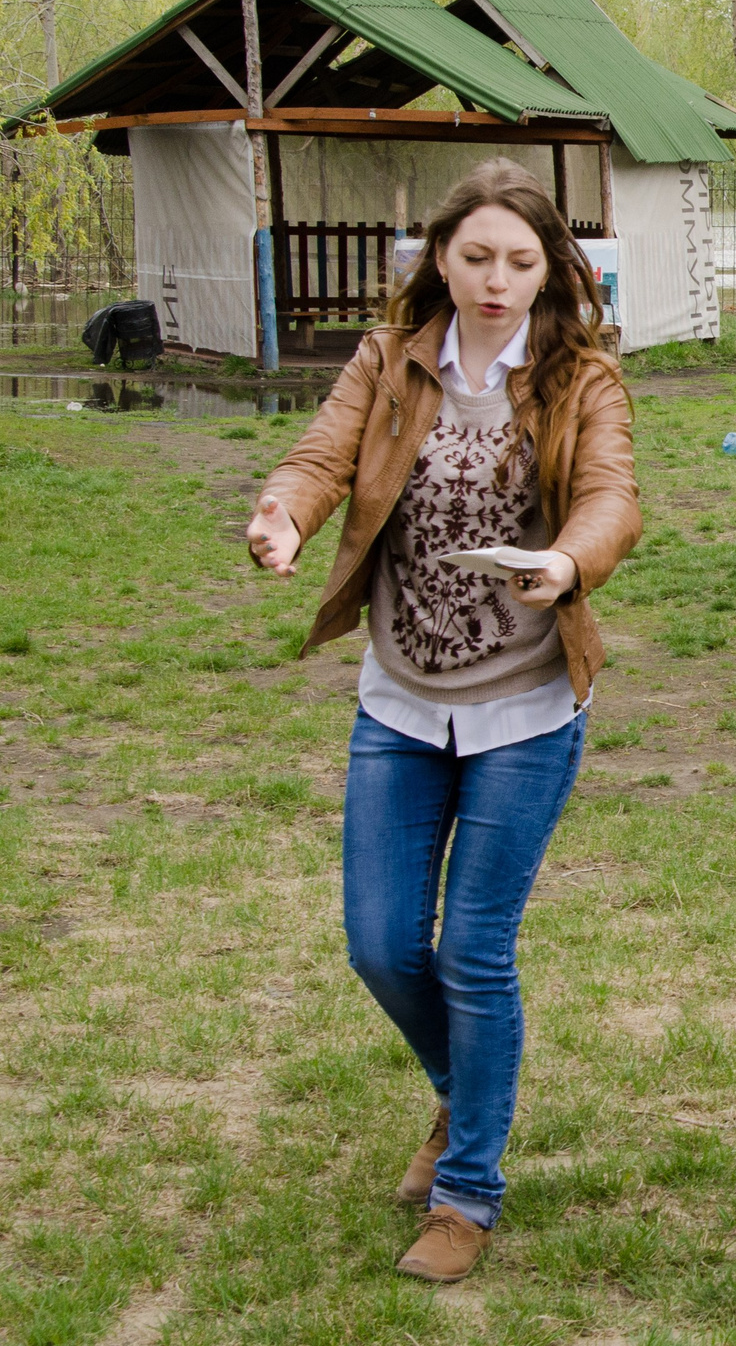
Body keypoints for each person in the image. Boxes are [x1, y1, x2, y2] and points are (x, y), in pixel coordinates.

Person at [245, 158, 640, 1284]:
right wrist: (283, 512)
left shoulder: (581, 377)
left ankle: (467, 1192)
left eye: (521, 261)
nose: (497, 281)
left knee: (472, 950)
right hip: (402, 701)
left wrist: (569, 558)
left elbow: (613, 493)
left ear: (551, 269)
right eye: (476, 258)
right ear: (441, 259)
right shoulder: (389, 358)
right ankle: (467, 1094)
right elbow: (323, 456)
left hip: (525, 707)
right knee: (379, 943)